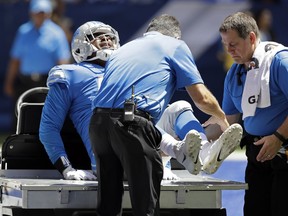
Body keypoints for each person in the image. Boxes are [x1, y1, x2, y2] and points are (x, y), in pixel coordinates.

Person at [89, 14, 235, 216]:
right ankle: (197, 152)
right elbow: (201, 98)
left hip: (98, 124)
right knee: (146, 206)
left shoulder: (124, 49)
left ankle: (187, 151)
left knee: (108, 206)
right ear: (175, 35)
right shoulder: (175, 45)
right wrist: (221, 117)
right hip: (131, 123)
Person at [204, 11, 288, 216]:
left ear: (251, 38)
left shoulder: (280, 62)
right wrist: (191, 140)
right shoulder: (235, 73)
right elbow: (228, 121)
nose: (228, 51)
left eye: (233, 44)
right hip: (257, 156)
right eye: (225, 45)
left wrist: (278, 137)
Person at [39, 21, 120, 180]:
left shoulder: (127, 71)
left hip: (141, 152)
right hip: (109, 158)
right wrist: (66, 168)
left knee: (177, 108)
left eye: (109, 37)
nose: (106, 40)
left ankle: (169, 156)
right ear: (80, 46)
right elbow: (48, 128)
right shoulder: (70, 74)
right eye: (96, 36)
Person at [4, 0, 71, 132]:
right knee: (19, 116)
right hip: (24, 82)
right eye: (37, 12)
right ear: (31, 13)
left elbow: (63, 62)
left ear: (49, 14)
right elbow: (15, 60)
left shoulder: (56, 33)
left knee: (46, 119)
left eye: (43, 13)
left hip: (46, 83)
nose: (40, 16)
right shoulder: (23, 31)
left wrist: (64, 85)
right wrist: (9, 82)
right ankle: (17, 148)